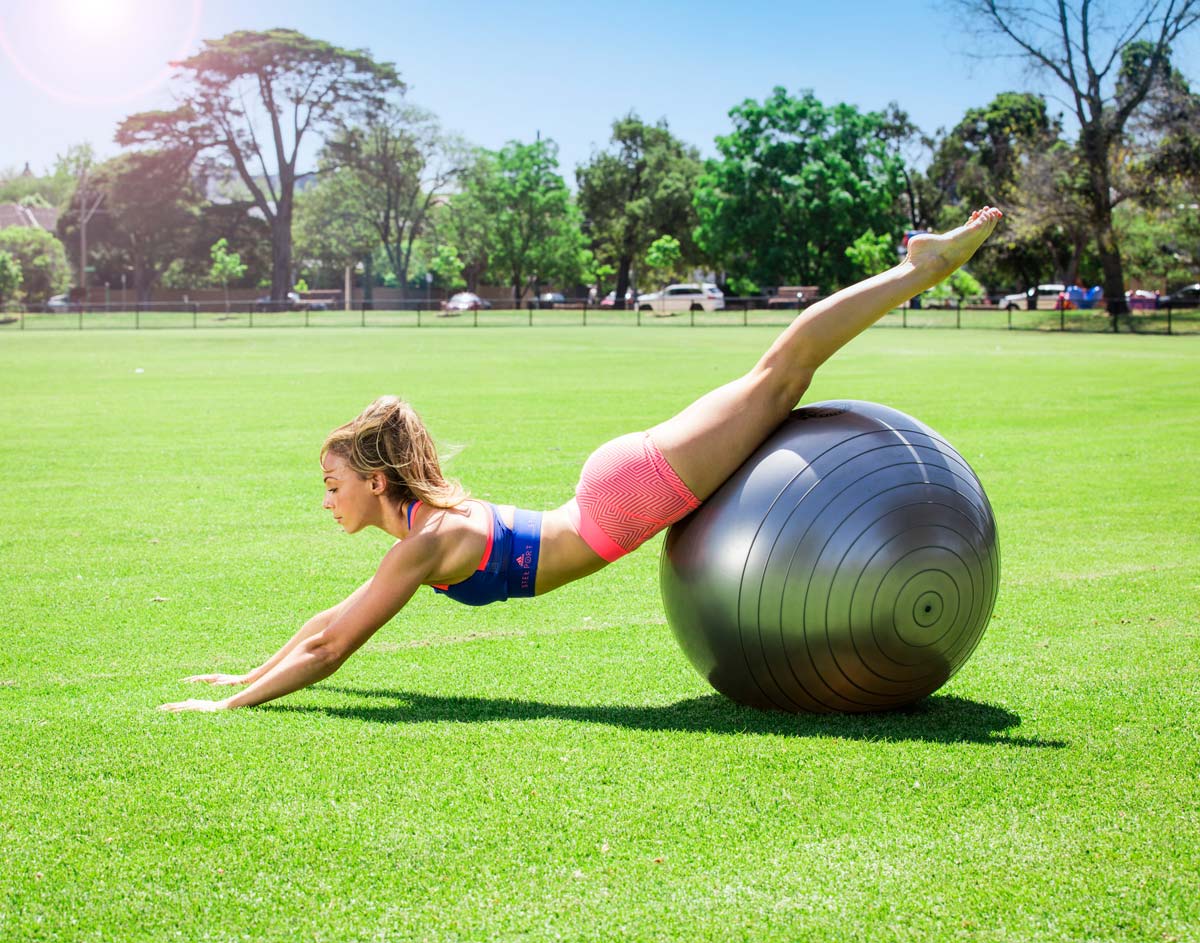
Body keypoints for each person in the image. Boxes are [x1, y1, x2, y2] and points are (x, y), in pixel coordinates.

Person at [160, 207, 1003, 713]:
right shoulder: (417, 530)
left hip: (624, 502)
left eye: (332, 485)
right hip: (613, 492)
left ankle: (917, 267)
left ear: (375, 480)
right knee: (771, 378)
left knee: (781, 373)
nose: (327, 501)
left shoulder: (421, 544)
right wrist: (246, 668)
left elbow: (333, 647)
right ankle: (913, 267)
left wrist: (232, 703)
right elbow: (326, 625)